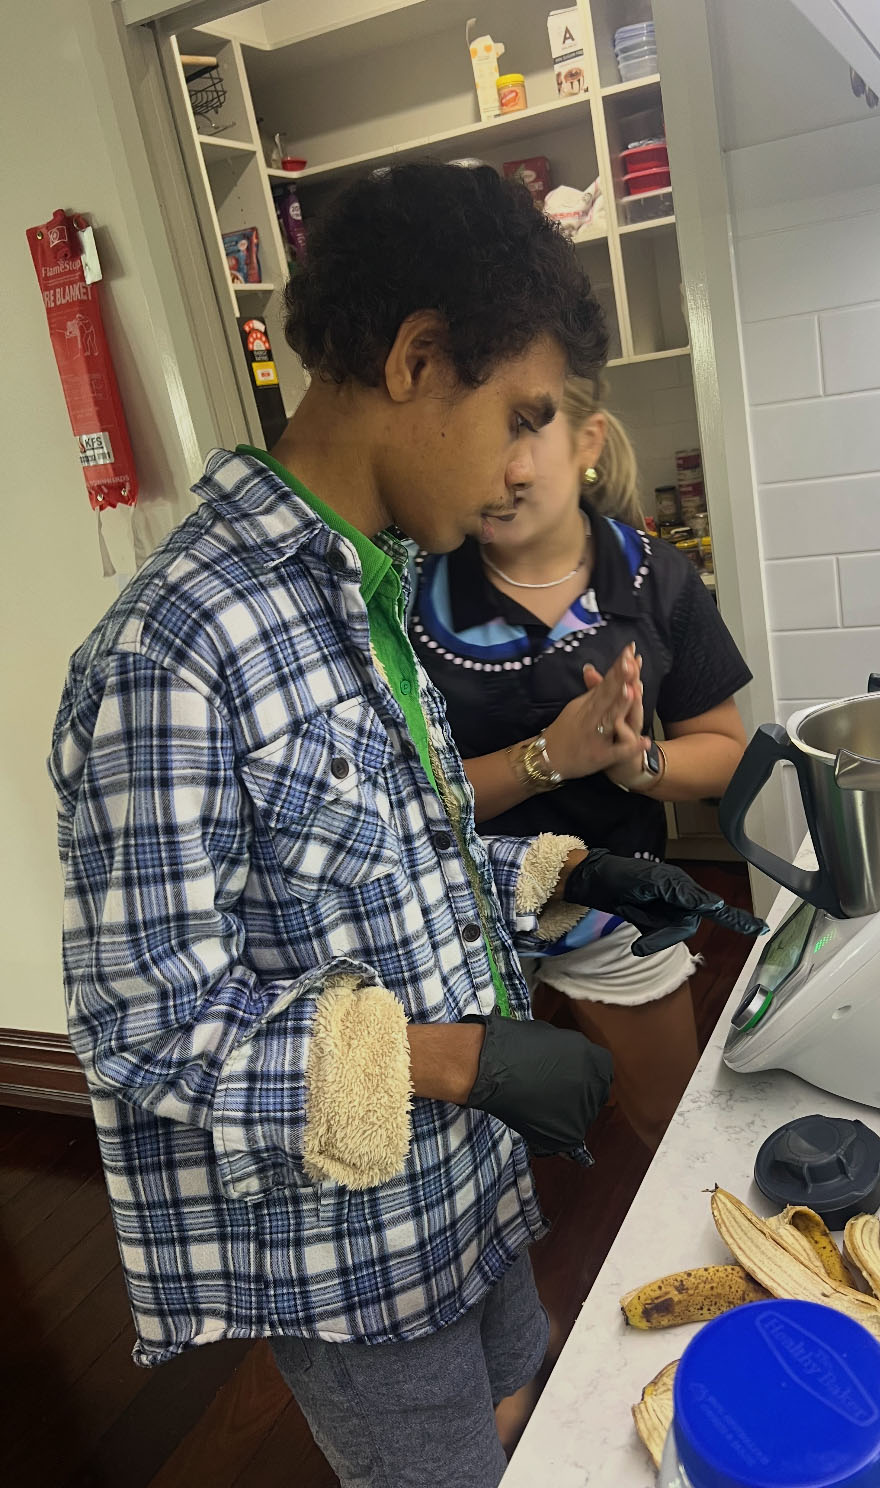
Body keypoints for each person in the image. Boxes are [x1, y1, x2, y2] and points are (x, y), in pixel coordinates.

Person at [48, 163, 763, 1488]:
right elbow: (144, 1025)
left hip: (468, 1193)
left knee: (527, 1422)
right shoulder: (174, 648)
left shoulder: (373, 593)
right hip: (352, 1259)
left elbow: (402, 856)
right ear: (419, 360)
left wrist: (568, 872)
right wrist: (458, 1062)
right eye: (522, 413)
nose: (522, 461)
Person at [410, 377, 755, 1150]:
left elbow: (726, 753)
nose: (498, 469)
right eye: (473, 433)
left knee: (676, 1131)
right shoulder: (406, 593)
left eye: (522, 430)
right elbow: (397, 803)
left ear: (586, 440)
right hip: (459, 916)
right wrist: (547, 759)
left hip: (611, 904)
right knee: (472, 1148)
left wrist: (641, 765)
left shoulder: (657, 578)